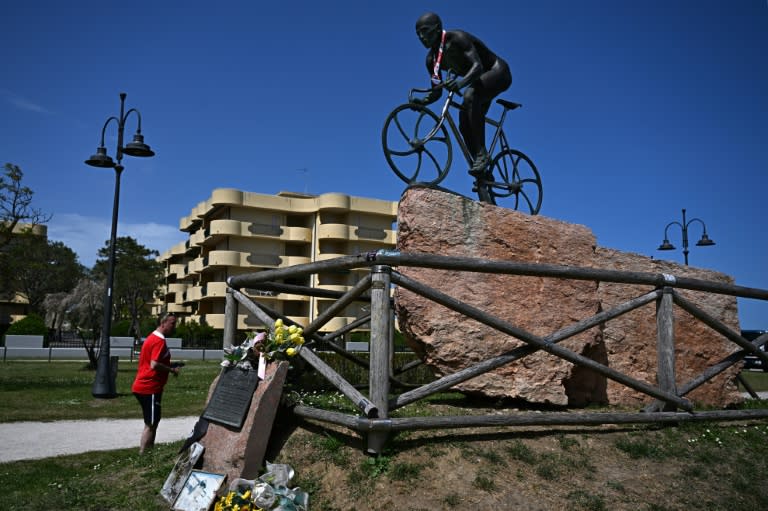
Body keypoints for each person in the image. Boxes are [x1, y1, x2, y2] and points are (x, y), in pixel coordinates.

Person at [412, 12, 512, 176]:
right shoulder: (431, 60)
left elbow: (478, 66)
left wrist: (460, 83)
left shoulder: (457, 38)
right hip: (478, 81)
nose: (422, 37)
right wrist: (422, 102)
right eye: (418, 34)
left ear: (437, 29)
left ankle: (482, 154)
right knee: (464, 124)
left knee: (470, 96)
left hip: (498, 72)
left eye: (425, 31)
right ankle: (483, 175)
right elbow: (436, 92)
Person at [131, 313, 181, 454]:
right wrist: (171, 370)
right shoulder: (158, 341)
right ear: (162, 323)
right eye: (172, 323)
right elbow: (154, 364)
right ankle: (144, 455)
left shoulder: (152, 338)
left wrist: (170, 365)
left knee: (153, 422)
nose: (174, 327)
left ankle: (148, 453)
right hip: (149, 387)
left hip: (148, 386)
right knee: (151, 424)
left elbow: (155, 361)